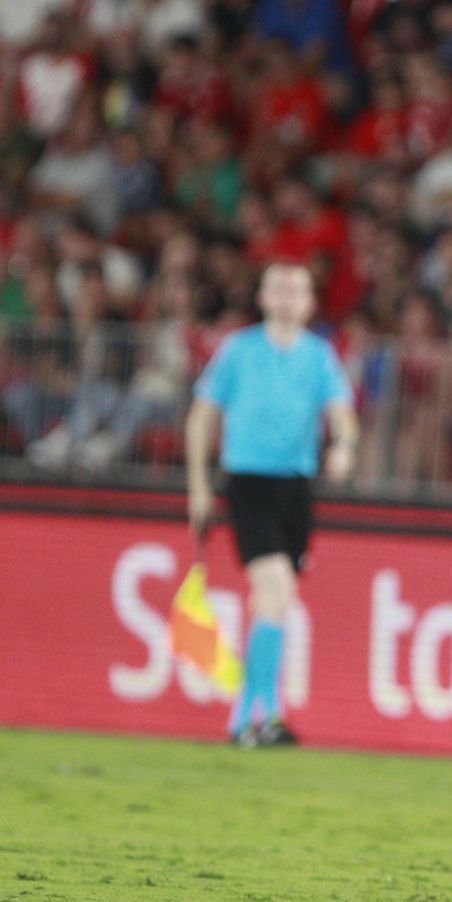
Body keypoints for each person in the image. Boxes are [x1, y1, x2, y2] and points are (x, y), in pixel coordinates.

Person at [185, 263, 358, 746]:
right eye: (278, 287)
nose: (286, 296)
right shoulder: (238, 350)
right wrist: (199, 485)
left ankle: (260, 714)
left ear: (309, 302)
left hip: (296, 488)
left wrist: (343, 446)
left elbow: (343, 415)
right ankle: (251, 715)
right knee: (274, 585)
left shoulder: (319, 356)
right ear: (261, 296)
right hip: (249, 482)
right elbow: (201, 416)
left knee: (277, 599)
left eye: (296, 289)